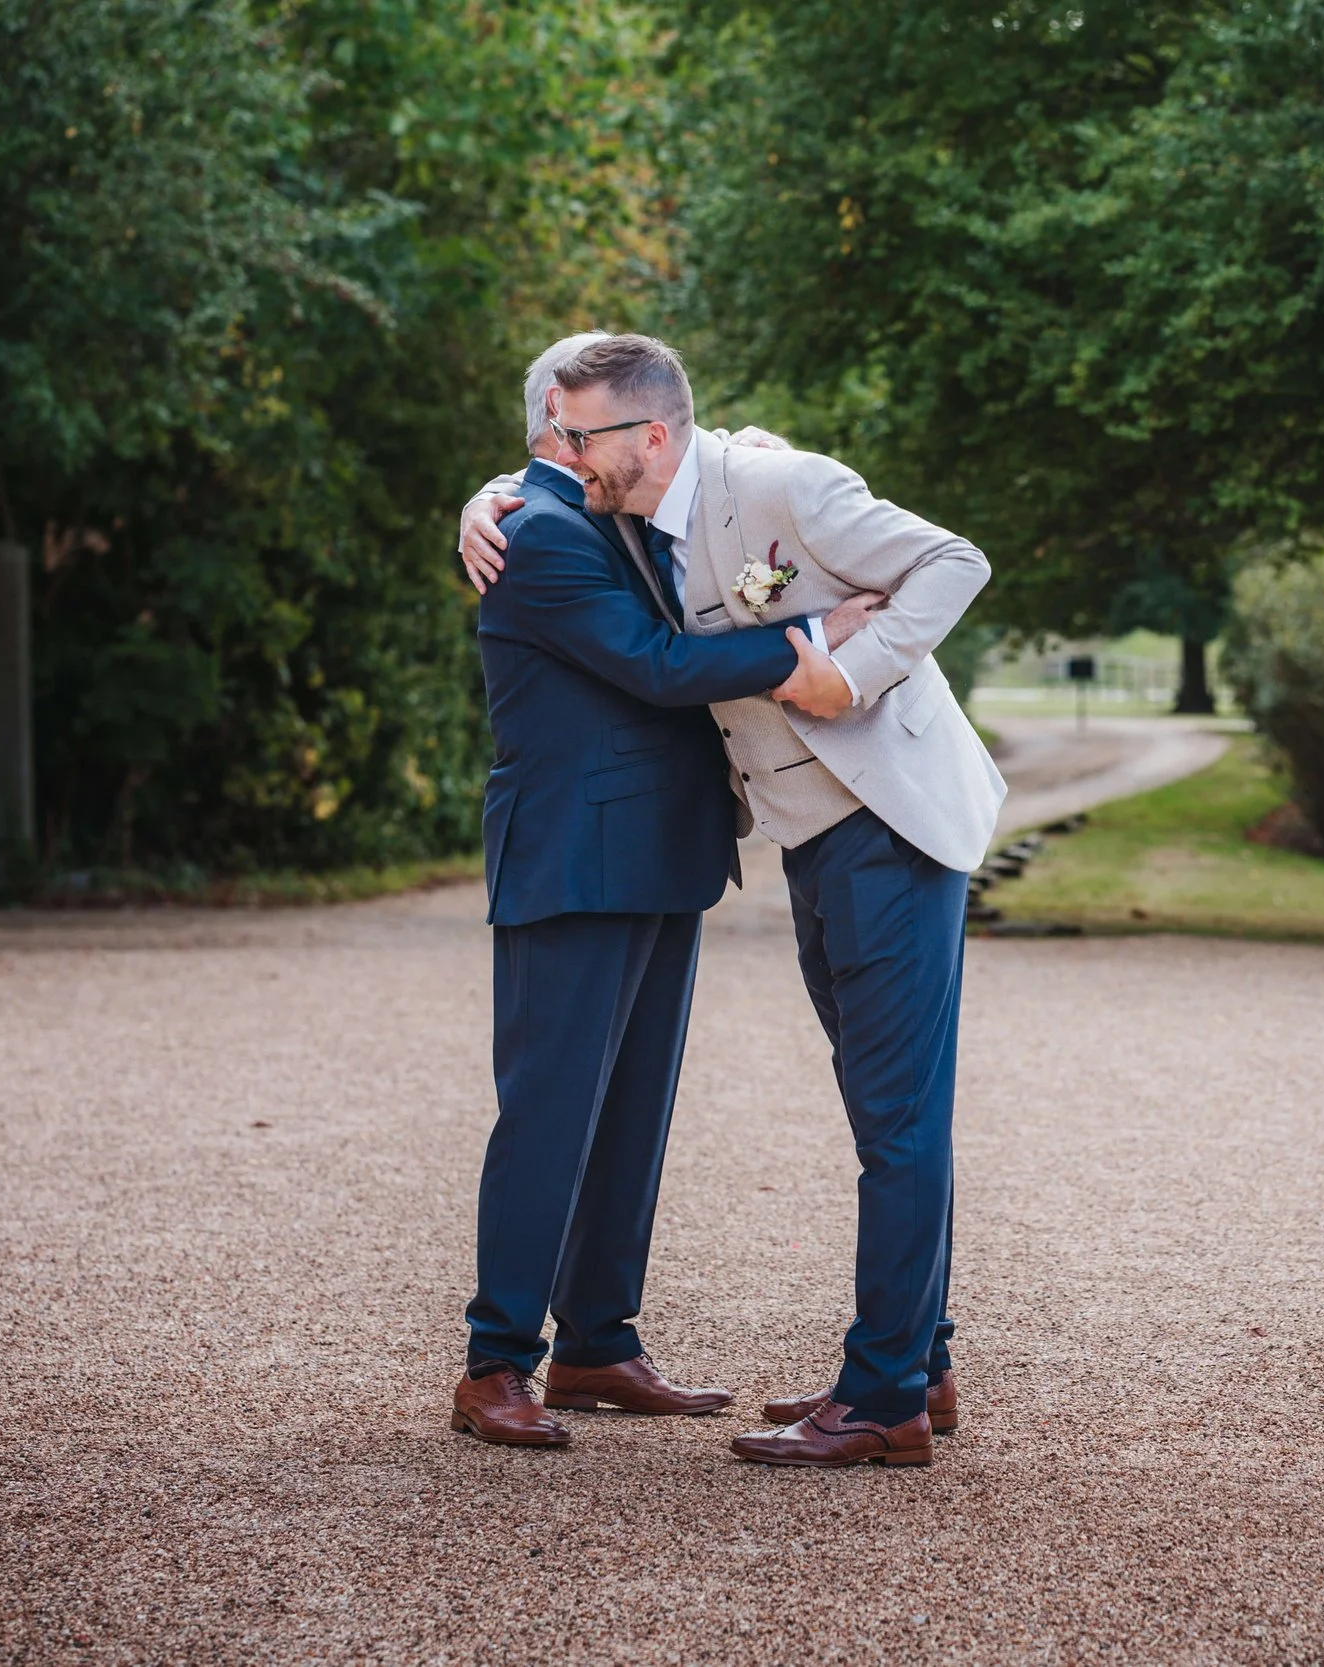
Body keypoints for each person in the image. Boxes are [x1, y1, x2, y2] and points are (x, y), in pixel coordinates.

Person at [459, 332, 1005, 1468]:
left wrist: (850, 664)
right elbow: (654, 658)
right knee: (580, 1114)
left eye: (581, 433)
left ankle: (883, 1384)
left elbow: (947, 558)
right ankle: (506, 1357)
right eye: (557, 432)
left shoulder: (734, 484)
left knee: (872, 1117)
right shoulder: (564, 518)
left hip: (840, 820)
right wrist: (809, 639)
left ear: (646, 433)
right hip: (672, 845)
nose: (565, 449)